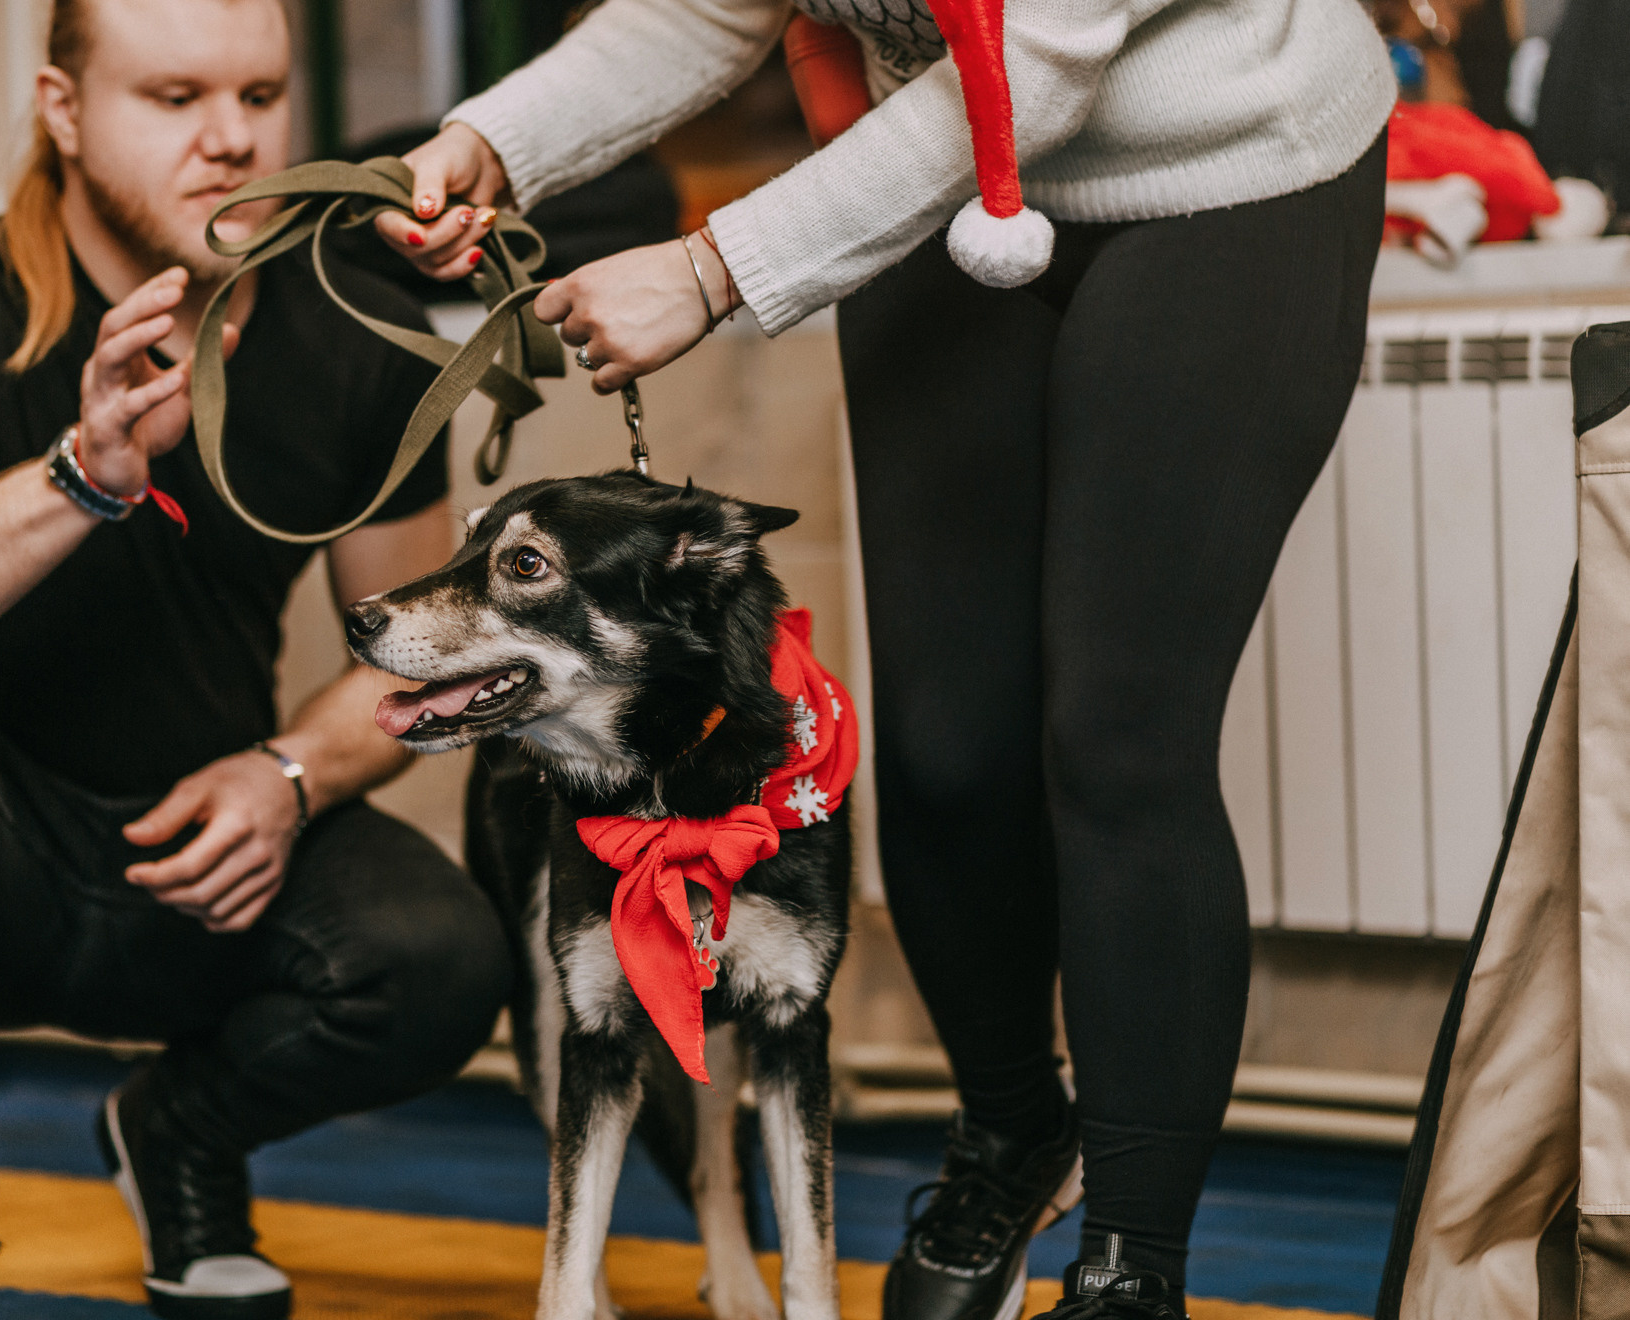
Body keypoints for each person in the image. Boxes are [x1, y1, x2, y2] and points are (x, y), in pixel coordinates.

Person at [377, 1, 1394, 1317]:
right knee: (945, 747)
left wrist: (708, 270)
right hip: (943, 164)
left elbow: (1036, 66)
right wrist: (497, 139)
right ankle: (1012, 1134)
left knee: (1116, 740)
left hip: (1231, 177)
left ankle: (1130, 1266)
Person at [0, 1, 511, 1317]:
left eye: (260, 95)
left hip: (203, 867)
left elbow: (430, 650)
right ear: (63, 108)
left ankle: (180, 1133)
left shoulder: (354, 332)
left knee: (446, 955)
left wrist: (288, 776)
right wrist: (81, 475)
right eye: (175, 99)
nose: (233, 140)